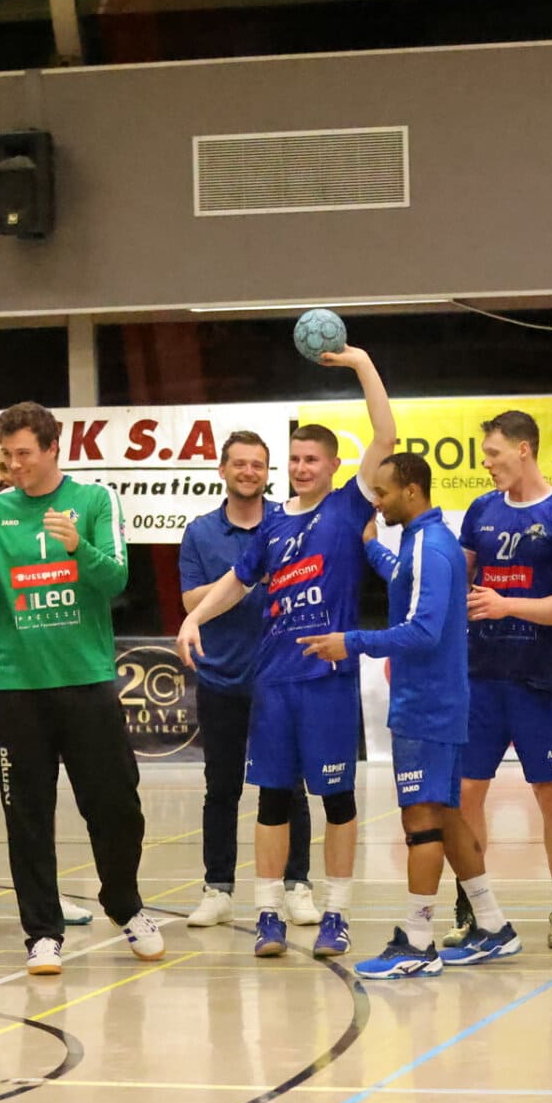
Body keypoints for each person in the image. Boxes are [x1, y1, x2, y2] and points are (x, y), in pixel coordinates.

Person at [176, 345, 397, 961]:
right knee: (272, 798)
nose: (301, 468)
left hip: (325, 681)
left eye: (312, 459)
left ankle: (337, 914)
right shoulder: (272, 525)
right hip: (271, 682)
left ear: (332, 466)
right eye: (295, 459)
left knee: (336, 800)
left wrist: (358, 364)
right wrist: (194, 616)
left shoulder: (350, 505)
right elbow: (237, 581)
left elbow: (386, 431)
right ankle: (267, 911)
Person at [0, 401, 162, 975]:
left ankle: (125, 904)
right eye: (6, 456)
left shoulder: (92, 501)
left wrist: (75, 549)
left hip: (86, 682)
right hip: (16, 689)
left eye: (23, 455)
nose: (13, 467)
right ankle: (42, 932)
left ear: (53, 448)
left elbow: (117, 577)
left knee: (115, 807)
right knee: (26, 814)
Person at [296, 453, 520, 978]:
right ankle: (492, 926)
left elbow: (423, 631)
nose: (377, 501)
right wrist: (372, 546)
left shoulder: (431, 549)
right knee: (444, 812)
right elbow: (402, 577)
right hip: (433, 702)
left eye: (384, 493)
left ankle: (418, 943)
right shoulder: (423, 543)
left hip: (428, 706)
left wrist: (348, 642)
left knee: (420, 821)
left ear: (413, 491)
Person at [448, 410, 552, 950]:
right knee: (465, 794)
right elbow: (457, 582)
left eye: (492, 454)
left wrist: (506, 603)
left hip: (536, 680)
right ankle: (474, 905)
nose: (486, 464)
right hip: (480, 677)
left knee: (551, 794)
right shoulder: (481, 511)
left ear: (524, 450)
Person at [0, 441, 93, 934]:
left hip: (41, 676)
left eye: (5, 466)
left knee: (38, 789)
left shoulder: (46, 521)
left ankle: (45, 893)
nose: (0, 475)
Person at [177, 431, 318, 929]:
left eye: (258, 465)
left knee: (288, 786)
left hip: (279, 678)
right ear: (223, 469)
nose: (249, 472)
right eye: (239, 463)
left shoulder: (285, 525)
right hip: (220, 680)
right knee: (222, 788)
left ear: (267, 472)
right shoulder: (200, 532)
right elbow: (193, 601)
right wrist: (244, 575)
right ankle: (218, 887)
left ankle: (296, 883)